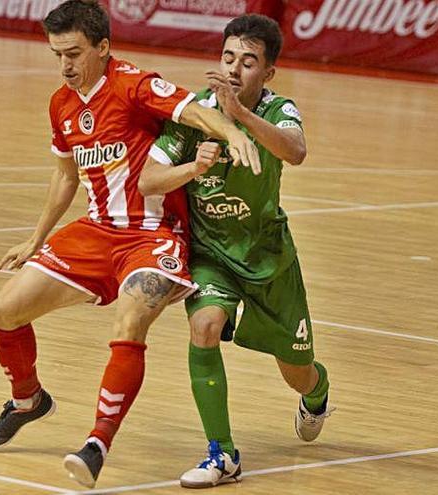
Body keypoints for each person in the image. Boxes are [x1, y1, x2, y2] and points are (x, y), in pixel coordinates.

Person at [0, 0, 261, 489]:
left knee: (129, 321)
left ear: (103, 47)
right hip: (93, 232)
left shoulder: (134, 84)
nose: (65, 65)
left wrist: (233, 133)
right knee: (4, 312)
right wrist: (35, 238)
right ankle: (28, 401)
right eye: (57, 54)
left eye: (74, 53)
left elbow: (194, 112)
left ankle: (96, 444)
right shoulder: (61, 103)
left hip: (150, 237)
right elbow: (65, 176)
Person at [139, 14, 333, 489]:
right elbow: (147, 180)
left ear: (267, 73)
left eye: (248, 63)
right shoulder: (193, 115)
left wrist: (240, 119)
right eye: (228, 58)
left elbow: (296, 151)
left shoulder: (279, 109)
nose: (234, 69)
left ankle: (318, 392)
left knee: (298, 373)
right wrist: (190, 168)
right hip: (211, 253)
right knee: (204, 328)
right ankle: (222, 454)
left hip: (268, 256)